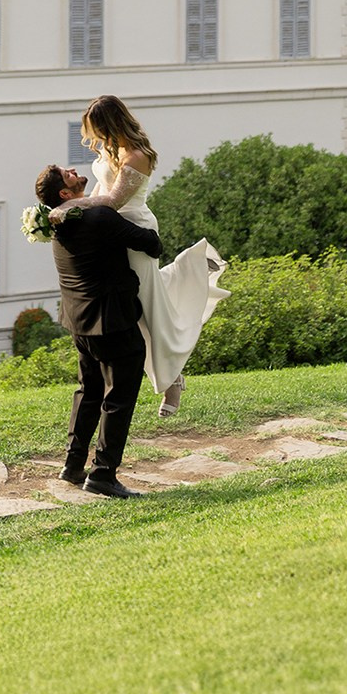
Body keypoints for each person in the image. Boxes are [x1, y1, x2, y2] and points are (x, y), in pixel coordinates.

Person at [51, 95, 228, 416]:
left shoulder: (137, 155)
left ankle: (172, 380)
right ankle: (192, 270)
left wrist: (72, 205)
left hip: (133, 228)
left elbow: (114, 201)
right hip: (110, 230)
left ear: (110, 123)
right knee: (134, 303)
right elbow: (98, 195)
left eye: (97, 130)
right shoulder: (110, 149)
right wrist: (75, 215)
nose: (95, 139)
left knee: (146, 307)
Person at [34, 161, 161, 498]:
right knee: (118, 396)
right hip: (113, 321)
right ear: (65, 192)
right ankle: (103, 473)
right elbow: (151, 242)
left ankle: (73, 465)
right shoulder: (99, 217)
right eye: (68, 173)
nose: (74, 169)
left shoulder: (58, 227)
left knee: (88, 391)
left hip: (78, 322)